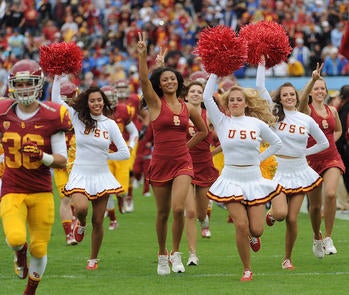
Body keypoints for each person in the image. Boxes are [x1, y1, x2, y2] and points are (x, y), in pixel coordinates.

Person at [137, 32, 208, 275]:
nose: (169, 82)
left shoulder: (188, 106)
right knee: (163, 213)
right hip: (159, 163)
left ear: (178, 81)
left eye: (172, 78)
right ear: (160, 84)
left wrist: (184, 149)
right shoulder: (156, 104)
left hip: (183, 164)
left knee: (179, 209)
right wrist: (142, 56)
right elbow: (145, 82)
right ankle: (161, 253)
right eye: (164, 79)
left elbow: (203, 131)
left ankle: (176, 253)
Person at [203, 72, 286, 282]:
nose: (236, 103)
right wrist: (214, 70)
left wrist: (260, 159)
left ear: (246, 103)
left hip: (254, 179)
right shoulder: (222, 121)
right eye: (232, 100)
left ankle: (252, 236)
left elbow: (276, 143)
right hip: (231, 179)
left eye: (239, 99)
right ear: (227, 103)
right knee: (240, 224)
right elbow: (206, 97)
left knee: (256, 229)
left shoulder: (255, 124)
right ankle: (247, 269)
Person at [0, 59, 72, 295]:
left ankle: (30, 291)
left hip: (41, 190)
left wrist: (43, 157)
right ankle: (20, 253)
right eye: (18, 84)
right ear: (12, 86)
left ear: (38, 84)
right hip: (12, 188)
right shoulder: (3, 111)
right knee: (15, 238)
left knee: (40, 249)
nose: (23, 89)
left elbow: (62, 159)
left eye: (27, 83)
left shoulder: (53, 114)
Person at [51, 76, 130, 270]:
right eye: (92, 100)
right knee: (82, 208)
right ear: (87, 103)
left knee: (98, 220)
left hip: (102, 176)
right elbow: (56, 101)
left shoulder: (110, 125)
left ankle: (93, 259)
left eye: (99, 100)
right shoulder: (78, 118)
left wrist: (106, 156)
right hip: (80, 173)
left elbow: (124, 152)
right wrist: (57, 77)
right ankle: (81, 224)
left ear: (104, 102)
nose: (96, 103)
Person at [256, 61, 329, 269]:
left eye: (292, 94)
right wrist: (262, 62)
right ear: (280, 97)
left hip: (300, 172)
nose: (289, 97)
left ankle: (287, 258)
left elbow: (323, 142)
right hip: (279, 171)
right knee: (281, 214)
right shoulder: (275, 114)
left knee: (292, 218)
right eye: (285, 94)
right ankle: (271, 214)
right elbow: (260, 86)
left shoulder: (305, 119)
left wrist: (304, 152)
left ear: (297, 98)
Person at [298, 64, 345, 257]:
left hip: (332, 158)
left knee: (332, 194)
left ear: (326, 91)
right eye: (316, 88)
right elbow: (301, 100)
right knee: (315, 206)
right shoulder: (306, 110)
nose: (319, 91)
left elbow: (339, 130)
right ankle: (317, 237)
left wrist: (328, 142)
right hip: (311, 162)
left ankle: (328, 237)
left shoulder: (332, 110)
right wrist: (312, 79)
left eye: (322, 88)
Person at [184, 80, 219, 266]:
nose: (196, 94)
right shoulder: (180, 113)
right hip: (184, 166)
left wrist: (212, 153)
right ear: (186, 95)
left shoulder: (209, 115)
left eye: (199, 91)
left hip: (205, 166)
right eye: (193, 91)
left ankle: (204, 219)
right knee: (189, 212)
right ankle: (192, 254)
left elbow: (223, 140)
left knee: (199, 212)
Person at [101, 85, 138, 229]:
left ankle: (122, 200)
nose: (110, 102)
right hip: (105, 156)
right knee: (108, 190)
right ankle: (113, 219)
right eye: (107, 99)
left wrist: (130, 146)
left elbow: (134, 132)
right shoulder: (95, 115)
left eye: (112, 98)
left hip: (121, 155)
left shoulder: (123, 110)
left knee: (121, 190)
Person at [51, 78, 79, 245]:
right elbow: (56, 99)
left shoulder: (80, 116)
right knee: (65, 199)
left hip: (77, 165)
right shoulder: (54, 116)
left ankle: (76, 219)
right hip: (61, 163)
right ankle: (69, 234)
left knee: (78, 199)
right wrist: (56, 77)